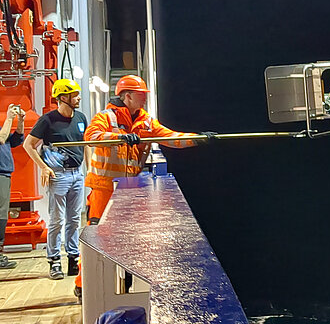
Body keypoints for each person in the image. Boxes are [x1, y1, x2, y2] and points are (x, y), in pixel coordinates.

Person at [83, 75, 211, 224]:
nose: (145, 97)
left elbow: (171, 137)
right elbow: (91, 136)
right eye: (141, 94)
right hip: (104, 189)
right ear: (128, 96)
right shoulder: (105, 118)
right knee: (99, 232)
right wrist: (120, 138)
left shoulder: (146, 122)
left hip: (129, 188)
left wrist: (198, 139)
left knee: (125, 231)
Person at [22, 79, 88, 280]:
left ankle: (73, 257)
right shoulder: (48, 120)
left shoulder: (81, 118)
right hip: (58, 174)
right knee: (57, 220)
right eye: (74, 94)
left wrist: (89, 170)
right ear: (63, 98)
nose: (78, 97)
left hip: (77, 174)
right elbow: (28, 145)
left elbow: (85, 144)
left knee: (75, 219)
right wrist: (43, 167)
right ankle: (54, 260)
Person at [0, 104, 25, 269]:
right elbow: (2, 138)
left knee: (2, 213)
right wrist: (9, 117)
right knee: (0, 214)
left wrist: (20, 120)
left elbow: (16, 139)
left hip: (4, 174)